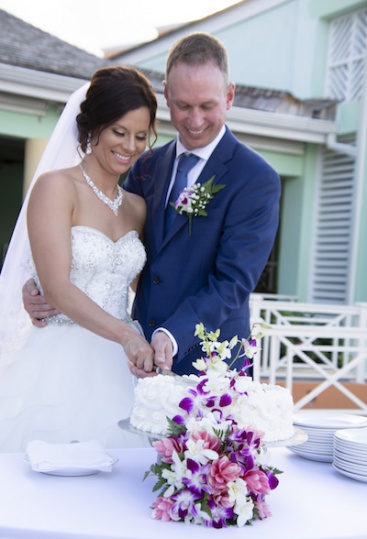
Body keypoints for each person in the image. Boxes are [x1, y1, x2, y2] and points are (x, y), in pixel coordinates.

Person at [23, 32, 281, 378]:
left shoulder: (255, 178)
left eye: (207, 106)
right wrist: (42, 284)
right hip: (132, 361)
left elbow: (233, 283)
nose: (195, 120)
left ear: (229, 95)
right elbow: (118, 253)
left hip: (211, 366)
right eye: (184, 106)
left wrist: (170, 335)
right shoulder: (145, 168)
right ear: (167, 95)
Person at [0, 65, 158, 452]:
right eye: (119, 132)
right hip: (60, 361)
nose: (130, 146)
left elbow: (142, 282)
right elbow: (56, 285)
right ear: (93, 127)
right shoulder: (56, 187)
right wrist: (126, 336)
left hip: (122, 367)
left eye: (141, 135)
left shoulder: (137, 207)